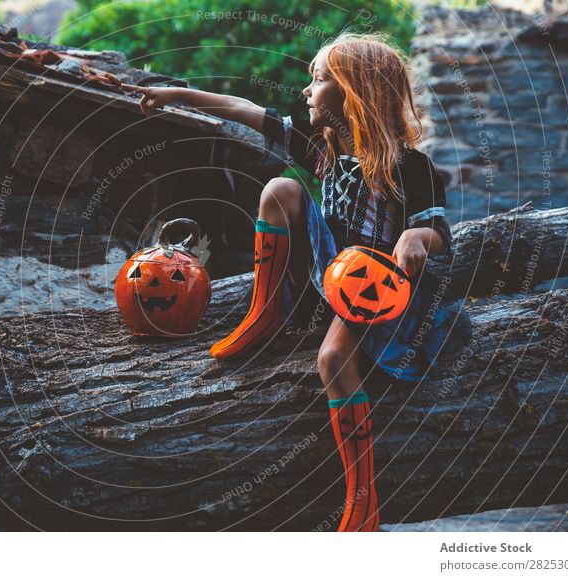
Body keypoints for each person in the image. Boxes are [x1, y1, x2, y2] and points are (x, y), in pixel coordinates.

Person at [121, 32, 472, 532]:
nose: (308, 90)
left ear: (353, 93)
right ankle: (265, 315)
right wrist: (176, 95)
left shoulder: (410, 167)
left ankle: (364, 501)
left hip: (376, 289)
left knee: (332, 359)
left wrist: (417, 234)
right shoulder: (323, 151)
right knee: (280, 189)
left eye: (319, 79)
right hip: (327, 275)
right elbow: (239, 107)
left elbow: (437, 232)